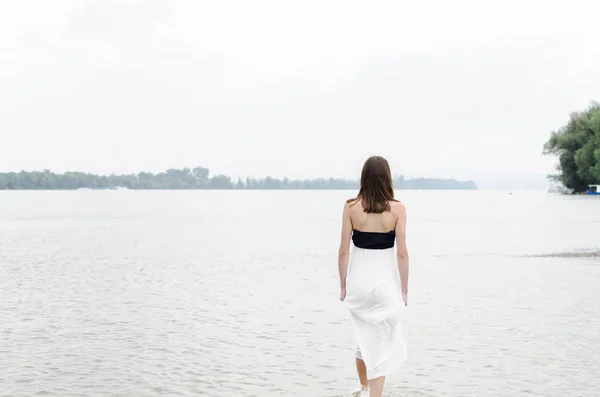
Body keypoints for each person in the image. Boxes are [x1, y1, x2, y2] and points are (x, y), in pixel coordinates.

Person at [338, 156, 409, 397]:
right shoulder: (397, 209)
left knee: (363, 336)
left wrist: (343, 284)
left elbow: (343, 250)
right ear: (387, 178)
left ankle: (363, 388)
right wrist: (405, 289)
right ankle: (373, 395)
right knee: (380, 340)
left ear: (363, 178)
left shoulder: (351, 207)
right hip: (383, 286)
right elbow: (402, 253)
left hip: (358, 284)